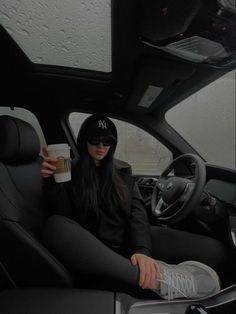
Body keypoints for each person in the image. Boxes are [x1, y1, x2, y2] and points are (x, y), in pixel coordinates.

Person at [41, 114, 225, 300]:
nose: (101, 146)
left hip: (128, 238)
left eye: (107, 141)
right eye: (95, 140)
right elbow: (65, 217)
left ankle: (157, 271)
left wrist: (142, 250)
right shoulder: (67, 171)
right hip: (97, 249)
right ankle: (160, 280)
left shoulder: (122, 170)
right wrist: (53, 183)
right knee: (54, 225)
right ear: (83, 141)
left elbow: (137, 212)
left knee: (215, 250)